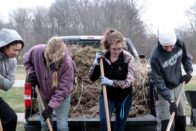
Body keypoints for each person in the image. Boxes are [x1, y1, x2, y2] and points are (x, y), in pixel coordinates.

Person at [23, 36, 76, 131]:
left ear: (62, 51)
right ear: (47, 50)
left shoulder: (67, 64)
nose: (55, 57)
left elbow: (63, 90)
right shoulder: (36, 51)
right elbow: (26, 60)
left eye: (58, 54)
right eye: (52, 54)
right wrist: (31, 73)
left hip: (61, 97)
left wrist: (50, 107)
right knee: (45, 125)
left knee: (62, 126)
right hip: (43, 94)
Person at [89, 28, 136, 131]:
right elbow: (92, 78)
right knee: (104, 122)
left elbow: (129, 82)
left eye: (119, 48)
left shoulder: (128, 59)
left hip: (124, 97)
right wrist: (96, 63)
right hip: (107, 96)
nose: (117, 51)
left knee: (119, 127)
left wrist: (111, 82)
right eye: (114, 49)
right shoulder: (102, 56)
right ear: (108, 46)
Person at [150, 28, 193, 131]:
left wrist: (189, 72)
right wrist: (171, 100)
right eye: (166, 47)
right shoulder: (155, 56)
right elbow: (159, 82)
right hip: (163, 89)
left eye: (171, 46)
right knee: (166, 122)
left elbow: (186, 58)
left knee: (180, 119)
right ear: (160, 43)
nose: (169, 49)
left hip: (178, 84)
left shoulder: (180, 42)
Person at [0, 28, 24, 131]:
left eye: (18, 50)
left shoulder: (12, 62)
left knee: (11, 118)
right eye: (14, 50)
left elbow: (7, 85)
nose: (16, 53)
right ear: (4, 46)